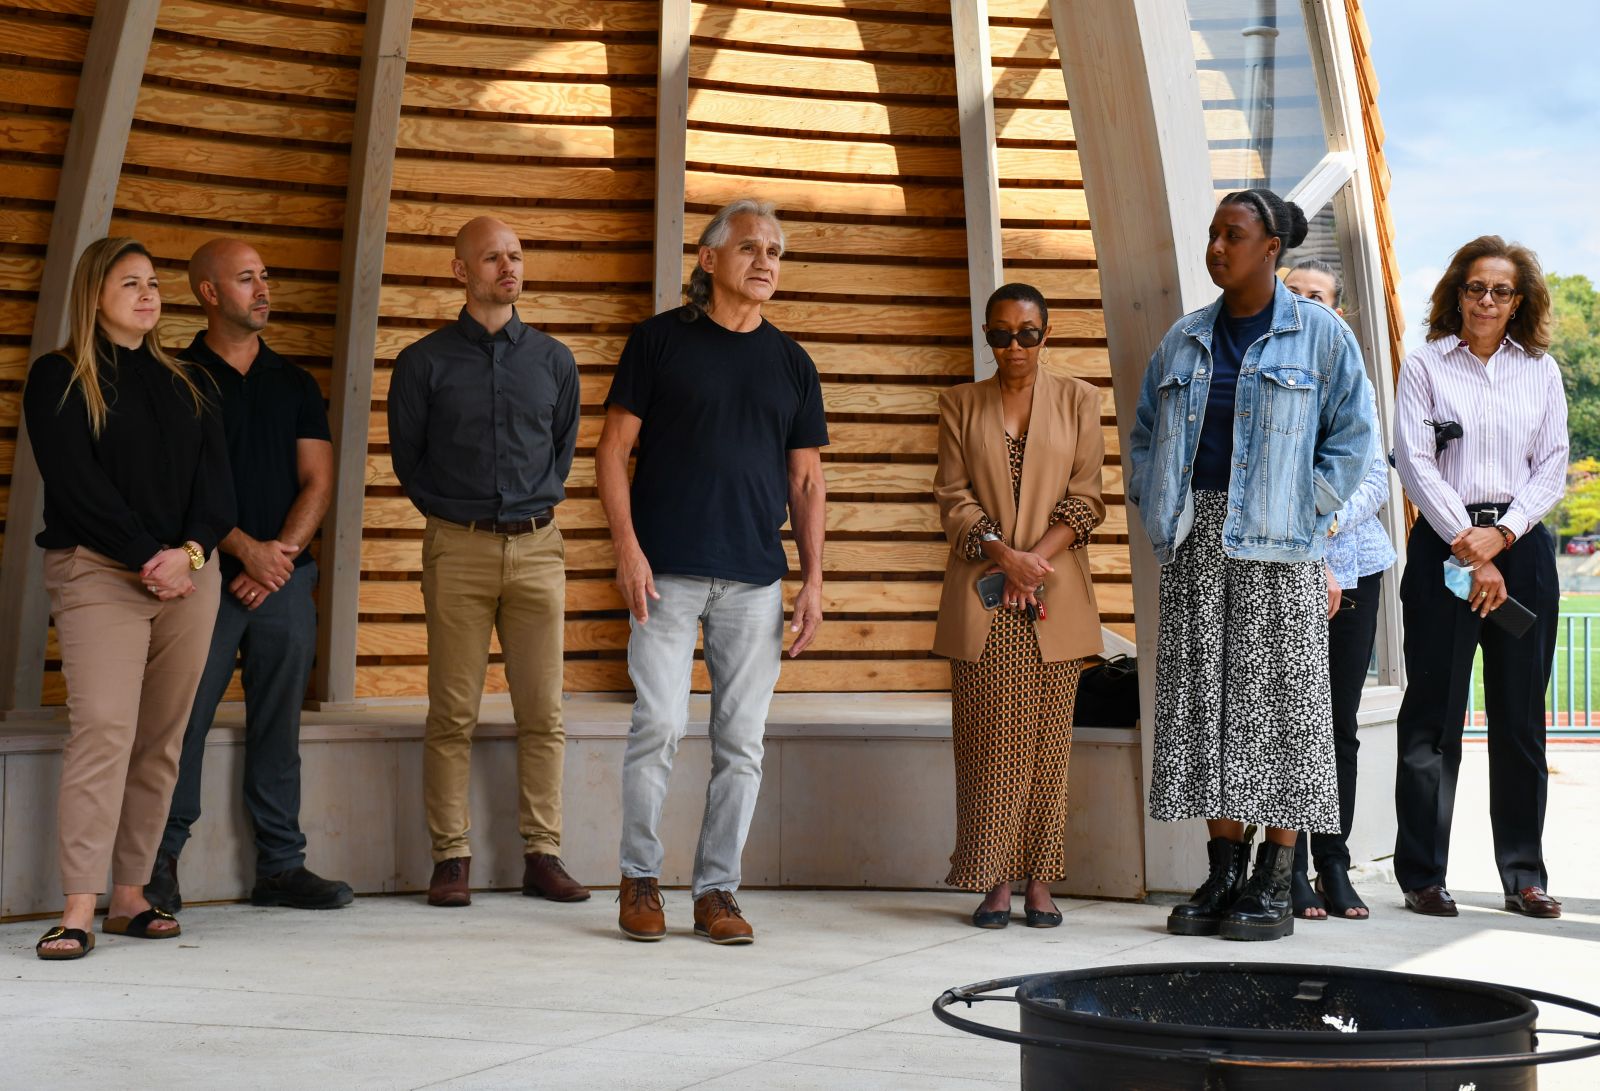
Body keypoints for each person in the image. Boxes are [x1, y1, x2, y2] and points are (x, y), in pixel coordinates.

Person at [1127, 190, 1376, 942]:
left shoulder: (1321, 335)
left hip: (1282, 544)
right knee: (1208, 708)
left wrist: (1309, 509)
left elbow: (1353, 435)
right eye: (1212, 235)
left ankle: (1275, 876)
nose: (1216, 247)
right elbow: (1144, 435)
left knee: (1283, 710)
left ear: (1272, 247)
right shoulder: (1182, 341)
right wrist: (1158, 505)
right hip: (1198, 540)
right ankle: (1223, 870)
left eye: (1231, 235)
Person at [598, 198, 828, 945]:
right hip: (664, 573)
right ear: (708, 259)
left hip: (756, 580)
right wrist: (626, 548)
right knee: (658, 724)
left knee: (741, 742)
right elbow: (610, 452)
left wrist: (814, 580)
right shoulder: (659, 342)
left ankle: (716, 892)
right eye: (751, 248)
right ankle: (639, 880)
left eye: (777, 251)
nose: (767, 261)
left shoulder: (793, 364)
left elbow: (807, 483)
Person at [25, 237, 235, 959]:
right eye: (130, 283)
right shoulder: (58, 377)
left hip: (187, 575)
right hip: (98, 573)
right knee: (104, 730)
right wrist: (152, 556)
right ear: (94, 294)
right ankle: (78, 905)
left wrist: (192, 555)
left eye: (153, 283)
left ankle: (130, 895)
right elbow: (79, 485)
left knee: (161, 738)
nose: (148, 295)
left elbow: (218, 491)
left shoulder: (189, 380)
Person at [144, 239, 350, 914]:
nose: (263, 288)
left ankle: (281, 866)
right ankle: (158, 861)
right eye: (245, 279)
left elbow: (318, 480)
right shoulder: (173, 377)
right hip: (201, 578)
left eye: (264, 276)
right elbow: (172, 489)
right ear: (208, 292)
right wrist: (242, 550)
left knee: (277, 722)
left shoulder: (293, 382)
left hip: (283, 582)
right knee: (182, 721)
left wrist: (277, 557)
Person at [388, 217, 585, 908]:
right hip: (458, 547)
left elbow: (560, 452)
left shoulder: (555, 361)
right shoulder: (423, 362)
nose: (509, 268)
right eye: (494, 258)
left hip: (538, 548)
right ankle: (450, 857)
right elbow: (408, 462)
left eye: (517, 256)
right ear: (459, 271)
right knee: (451, 712)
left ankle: (543, 853)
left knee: (545, 711)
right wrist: (458, 516)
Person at [1392, 236, 1567, 920]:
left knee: (1520, 721)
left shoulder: (1542, 371)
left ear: (1519, 301)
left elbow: (1552, 463)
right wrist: (1473, 548)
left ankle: (1524, 873)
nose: (1486, 300)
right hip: (1446, 547)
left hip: (1518, 550)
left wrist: (1505, 535)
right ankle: (1423, 875)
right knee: (1433, 718)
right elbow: (1415, 461)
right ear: (1455, 293)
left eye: (1500, 290)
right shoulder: (1425, 365)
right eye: (1475, 287)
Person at [932, 283, 1105, 929]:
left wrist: (1035, 563)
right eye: (1001, 333)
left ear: (1046, 332)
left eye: (1027, 333)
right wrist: (1007, 558)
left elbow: (1088, 496)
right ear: (986, 335)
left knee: (1046, 746)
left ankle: (1040, 882)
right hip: (985, 598)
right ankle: (993, 881)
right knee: (987, 742)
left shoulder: (1080, 400)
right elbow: (953, 498)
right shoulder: (959, 403)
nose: (1014, 346)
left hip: (1053, 599)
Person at [1281, 260, 1395, 922]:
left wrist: (1319, 526)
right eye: (1292, 294)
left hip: (1355, 569)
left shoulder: (1356, 383)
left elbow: (1375, 483)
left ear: (1338, 311)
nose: (1303, 304)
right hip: (1283, 570)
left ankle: (1333, 860)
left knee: (1336, 726)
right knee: (1287, 724)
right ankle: (1286, 865)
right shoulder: (1259, 376)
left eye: (1316, 295)